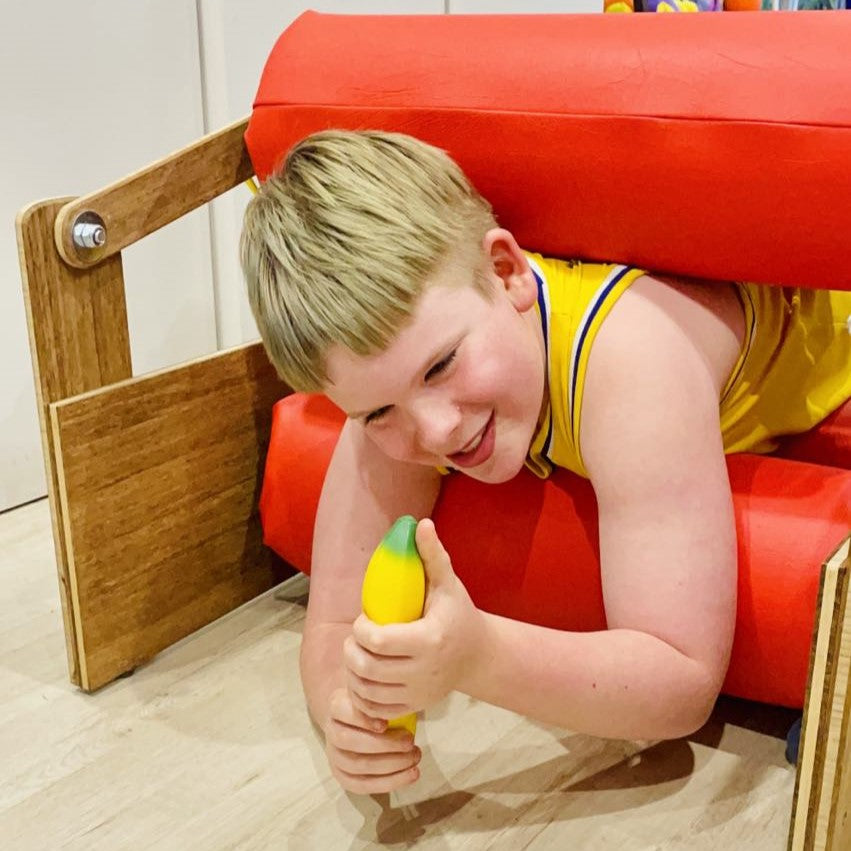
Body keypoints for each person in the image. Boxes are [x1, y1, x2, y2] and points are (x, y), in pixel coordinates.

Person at [240, 129, 851, 795]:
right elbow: (330, 621)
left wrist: (476, 657)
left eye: (441, 365)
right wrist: (345, 714)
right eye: (376, 412)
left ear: (506, 272)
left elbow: (680, 685)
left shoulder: (629, 363)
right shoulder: (401, 384)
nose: (437, 429)